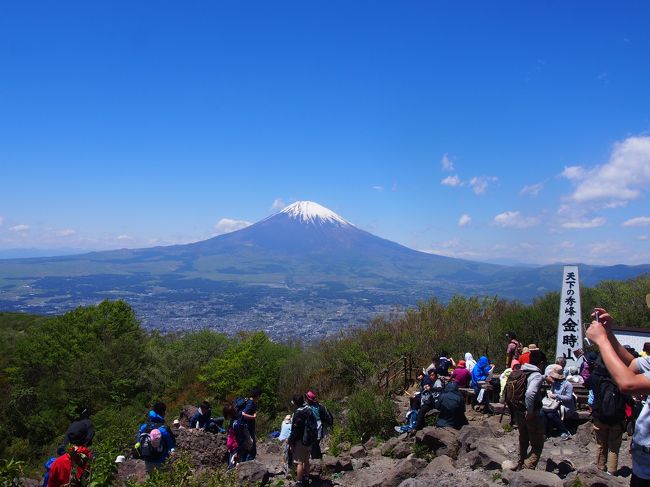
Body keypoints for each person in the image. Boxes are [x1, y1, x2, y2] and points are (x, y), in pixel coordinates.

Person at [585, 306, 650, 485]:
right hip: (642, 465)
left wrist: (602, 340)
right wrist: (609, 334)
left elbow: (628, 383)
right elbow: (632, 363)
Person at [585, 362, 626, 475]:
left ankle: (600, 467)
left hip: (600, 415)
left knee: (600, 444)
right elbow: (627, 398)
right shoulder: (619, 377)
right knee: (614, 446)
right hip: (617, 417)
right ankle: (611, 471)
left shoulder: (596, 376)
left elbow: (586, 384)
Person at [515, 349, 546, 470]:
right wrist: (531, 411)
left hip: (518, 411)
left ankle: (520, 462)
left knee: (523, 439)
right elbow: (530, 394)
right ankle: (527, 469)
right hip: (530, 414)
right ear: (541, 363)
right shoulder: (536, 375)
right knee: (537, 444)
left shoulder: (521, 371)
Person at [136, 402, 176, 474]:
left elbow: (138, 441)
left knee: (151, 480)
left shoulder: (144, 426)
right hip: (161, 461)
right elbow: (171, 445)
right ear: (163, 413)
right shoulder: (164, 429)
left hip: (147, 460)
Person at [542, 365, 574, 440]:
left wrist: (556, 396)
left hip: (565, 405)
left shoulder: (568, 385)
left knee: (550, 414)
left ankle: (564, 431)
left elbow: (569, 398)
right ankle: (544, 432)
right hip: (554, 404)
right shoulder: (554, 383)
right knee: (542, 412)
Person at [288, 394, 313, 487]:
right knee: (306, 460)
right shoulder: (308, 409)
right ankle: (306, 478)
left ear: (295, 403)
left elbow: (295, 430)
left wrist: (291, 442)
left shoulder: (298, 413)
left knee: (299, 462)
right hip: (309, 439)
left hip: (300, 440)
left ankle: (299, 482)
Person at [305, 390, 333, 459]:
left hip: (315, 426)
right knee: (316, 442)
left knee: (314, 442)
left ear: (309, 399)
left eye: (306, 397)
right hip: (320, 425)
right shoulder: (319, 406)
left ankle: (316, 457)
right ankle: (317, 456)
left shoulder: (310, 407)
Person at [241, 387, 261, 460]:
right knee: (251, 450)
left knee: (249, 448)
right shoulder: (250, 403)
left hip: (248, 428)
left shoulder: (249, 401)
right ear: (258, 395)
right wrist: (253, 417)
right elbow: (243, 414)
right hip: (248, 428)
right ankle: (248, 466)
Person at [223, 404, 239, 469]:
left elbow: (232, 437)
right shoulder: (235, 421)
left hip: (234, 447)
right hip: (235, 447)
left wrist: (229, 446)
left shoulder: (234, 423)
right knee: (233, 464)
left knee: (232, 466)